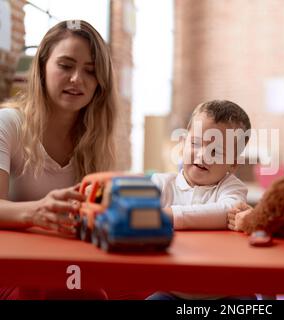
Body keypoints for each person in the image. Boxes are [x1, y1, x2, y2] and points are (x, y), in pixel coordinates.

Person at [0, 20, 118, 299]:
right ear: (41, 67)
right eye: (65, 66)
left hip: (70, 263)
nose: (78, 79)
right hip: (13, 268)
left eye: (91, 71)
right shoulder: (8, 124)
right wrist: (36, 212)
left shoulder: (96, 138)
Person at [147, 99, 253, 300]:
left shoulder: (231, 188)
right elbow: (137, 212)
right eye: (195, 143)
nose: (203, 155)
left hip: (225, 294)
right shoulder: (161, 184)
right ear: (183, 143)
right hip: (171, 292)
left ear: (233, 163)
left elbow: (227, 211)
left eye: (216, 151)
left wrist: (167, 215)